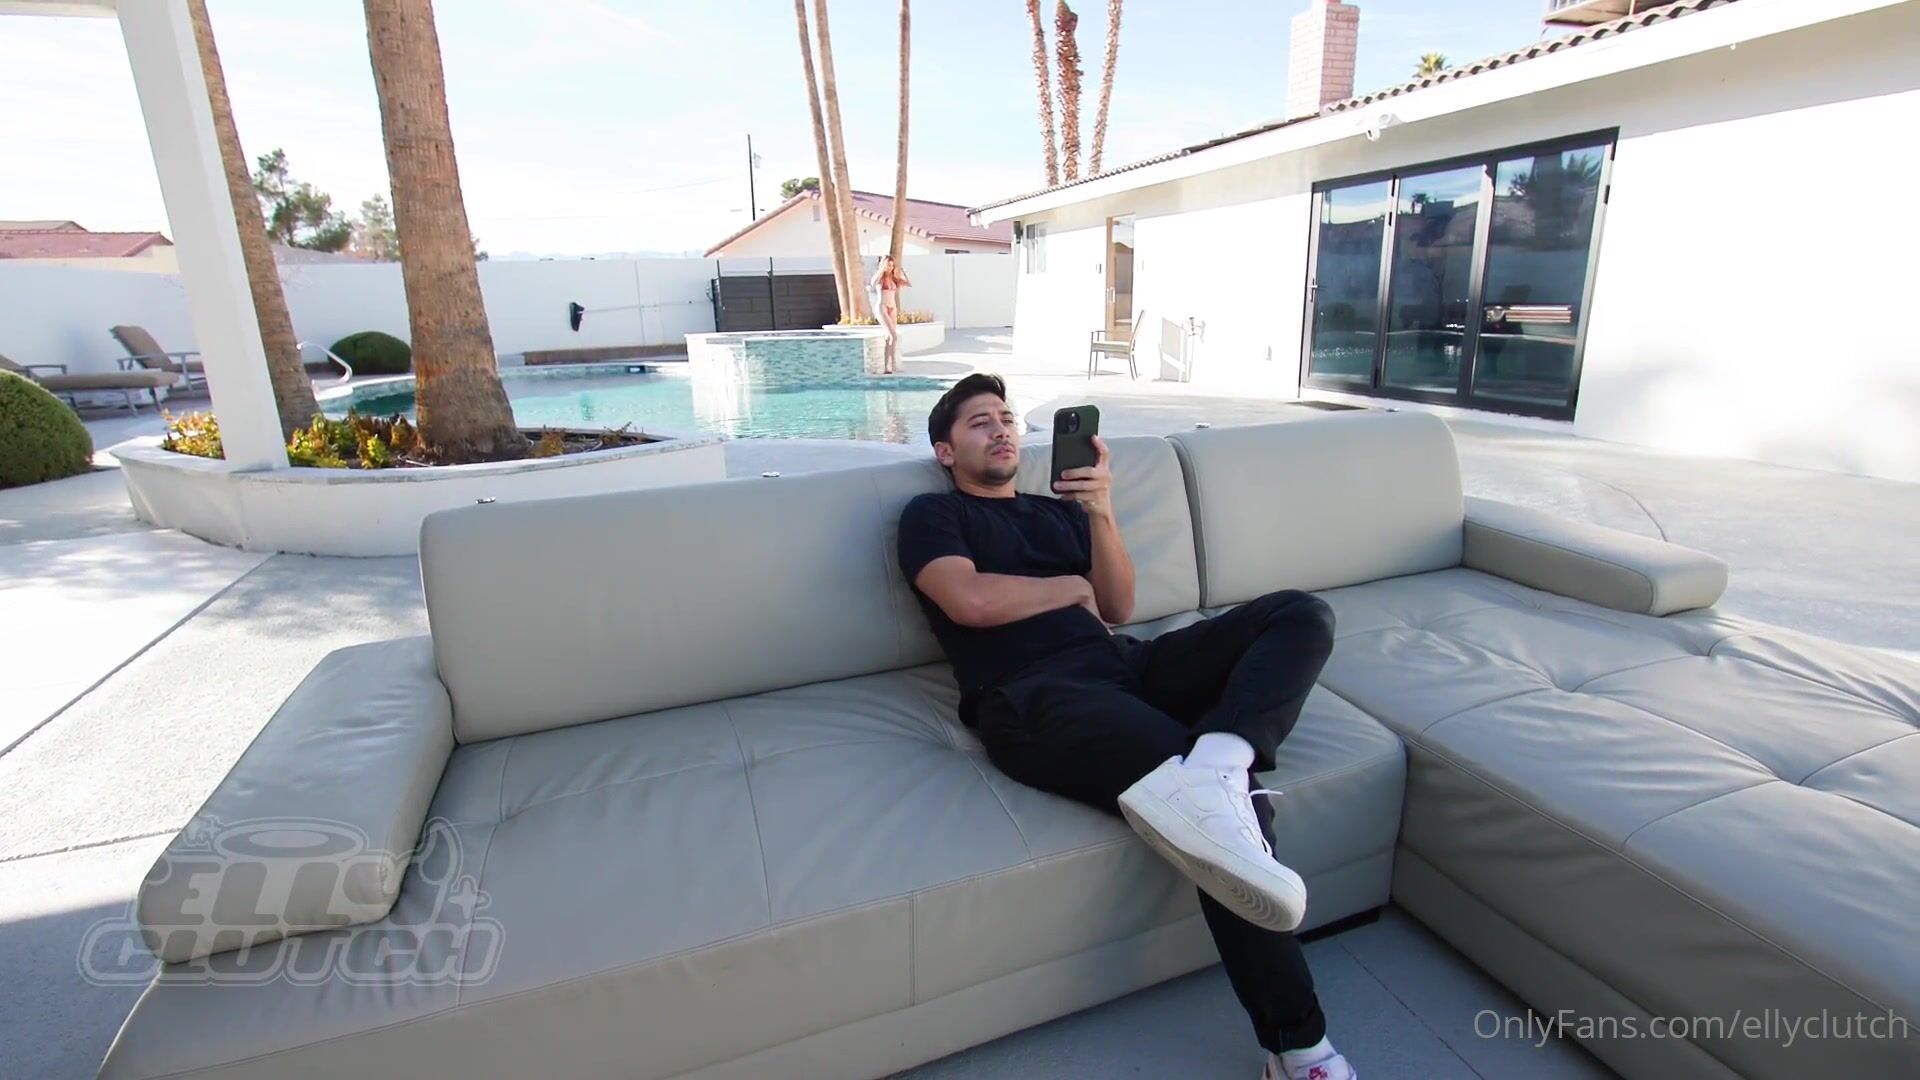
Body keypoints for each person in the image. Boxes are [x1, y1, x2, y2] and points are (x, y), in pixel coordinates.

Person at [895, 373, 1354, 1080]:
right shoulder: (933, 513)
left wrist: (1101, 510)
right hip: (1034, 695)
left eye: (1007, 418)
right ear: (946, 451)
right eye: (980, 422)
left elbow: (1117, 605)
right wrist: (1069, 587)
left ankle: (1222, 755)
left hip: (1125, 665)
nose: (1002, 429)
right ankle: (1298, 1047)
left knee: (1299, 614)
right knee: (1218, 817)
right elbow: (970, 602)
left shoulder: (1057, 513)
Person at [869, 254, 912, 374]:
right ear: (884, 265)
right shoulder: (880, 278)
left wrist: (902, 272)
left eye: (892, 265)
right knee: (893, 336)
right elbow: (872, 283)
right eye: (888, 265)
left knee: (890, 337)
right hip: (882, 307)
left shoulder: (894, 278)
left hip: (892, 308)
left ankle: (889, 365)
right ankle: (890, 365)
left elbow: (908, 284)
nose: (890, 267)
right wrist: (881, 270)